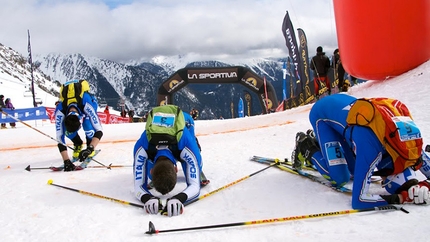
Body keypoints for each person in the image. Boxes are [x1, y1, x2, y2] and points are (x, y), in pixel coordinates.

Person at [293, 93, 430, 209]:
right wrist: (401, 198)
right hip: (322, 114)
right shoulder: (372, 151)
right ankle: (306, 146)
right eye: (384, 180)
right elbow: (359, 201)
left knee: (353, 170)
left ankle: (323, 145)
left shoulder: (411, 151)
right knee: (341, 178)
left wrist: (422, 186)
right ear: (389, 174)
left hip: (347, 113)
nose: (381, 179)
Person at [133, 105, 207, 217]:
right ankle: (193, 167)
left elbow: (138, 186)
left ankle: (198, 167)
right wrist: (180, 198)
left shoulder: (143, 148)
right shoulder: (143, 146)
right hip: (172, 141)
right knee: (191, 162)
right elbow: (194, 187)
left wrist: (146, 197)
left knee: (197, 162)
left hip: (184, 120)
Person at [54, 79, 103, 171]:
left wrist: (90, 148)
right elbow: (59, 137)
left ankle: (89, 143)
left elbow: (99, 130)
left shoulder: (86, 105)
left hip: (90, 103)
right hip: (73, 106)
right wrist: (66, 161)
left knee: (88, 124)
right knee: (65, 131)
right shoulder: (60, 111)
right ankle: (78, 143)